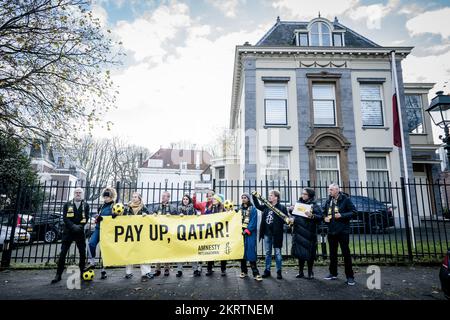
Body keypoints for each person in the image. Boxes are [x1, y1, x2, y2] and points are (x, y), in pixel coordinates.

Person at [51, 188, 89, 284]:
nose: (78, 194)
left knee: (82, 253)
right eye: (76, 192)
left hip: (80, 232)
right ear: (73, 193)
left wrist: (80, 226)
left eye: (80, 193)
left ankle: (81, 273)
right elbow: (65, 218)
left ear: (82, 194)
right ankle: (58, 275)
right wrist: (73, 226)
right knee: (63, 253)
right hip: (68, 232)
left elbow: (87, 217)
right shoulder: (67, 204)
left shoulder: (86, 205)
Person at [322, 183, 356, 286]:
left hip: (343, 231)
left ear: (337, 190)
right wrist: (325, 218)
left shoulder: (345, 199)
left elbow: (354, 212)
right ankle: (333, 273)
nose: (329, 191)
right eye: (329, 190)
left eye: (331, 190)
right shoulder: (329, 200)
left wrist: (341, 215)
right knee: (332, 254)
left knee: (346, 254)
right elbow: (324, 213)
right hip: (331, 231)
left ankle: (350, 277)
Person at [252, 190, 288, 280]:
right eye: (269, 195)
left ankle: (279, 271)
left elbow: (286, 220)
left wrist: (289, 220)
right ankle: (267, 271)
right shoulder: (266, 206)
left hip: (277, 234)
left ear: (276, 197)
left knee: (278, 253)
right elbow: (257, 206)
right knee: (268, 253)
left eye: (271, 195)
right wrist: (254, 196)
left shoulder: (282, 207)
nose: (269, 197)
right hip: (267, 234)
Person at [289, 188, 323, 280]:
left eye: (305, 194)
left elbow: (320, 217)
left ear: (310, 196)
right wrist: (290, 210)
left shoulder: (314, 205)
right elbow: (294, 214)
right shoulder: (298, 203)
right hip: (298, 231)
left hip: (309, 232)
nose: (303, 195)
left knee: (310, 253)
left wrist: (312, 215)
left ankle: (310, 272)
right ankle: (300, 272)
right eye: (302, 194)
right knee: (300, 252)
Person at [85, 186, 117, 280]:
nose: (106, 199)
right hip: (98, 228)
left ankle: (103, 270)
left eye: (108, 197)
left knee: (104, 250)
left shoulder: (114, 206)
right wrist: (97, 218)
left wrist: (114, 215)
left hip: (108, 231)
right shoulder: (101, 206)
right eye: (105, 197)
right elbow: (99, 217)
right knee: (91, 243)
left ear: (112, 197)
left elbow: (117, 218)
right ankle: (92, 262)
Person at [124, 192, 153, 282]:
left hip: (141, 234)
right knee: (129, 252)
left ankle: (146, 272)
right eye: (133, 197)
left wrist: (146, 216)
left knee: (143, 252)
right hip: (130, 233)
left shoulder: (144, 208)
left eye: (136, 197)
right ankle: (128, 272)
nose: (134, 198)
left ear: (140, 199)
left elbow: (150, 218)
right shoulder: (127, 208)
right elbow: (122, 218)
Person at [152, 191, 177, 276]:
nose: (162, 198)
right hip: (158, 232)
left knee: (167, 251)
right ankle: (157, 269)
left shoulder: (173, 208)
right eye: (162, 196)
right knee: (157, 250)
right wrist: (154, 215)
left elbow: (177, 220)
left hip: (168, 232)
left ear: (168, 198)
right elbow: (151, 218)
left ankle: (166, 269)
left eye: (164, 196)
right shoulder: (156, 207)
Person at [239, 193, 262, 281]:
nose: (243, 199)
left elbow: (253, 221)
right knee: (242, 253)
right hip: (241, 234)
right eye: (242, 198)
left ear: (248, 199)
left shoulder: (253, 209)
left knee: (251, 252)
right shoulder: (239, 209)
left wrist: (247, 230)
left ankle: (255, 273)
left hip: (249, 234)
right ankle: (243, 271)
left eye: (245, 197)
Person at [176, 194, 201, 277]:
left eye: (187, 199)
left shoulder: (193, 209)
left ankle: (195, 269)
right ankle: (179, 270)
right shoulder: (178, 209)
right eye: (184, 199)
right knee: (180, 252)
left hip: (191, 234)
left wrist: (197, 215)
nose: (185, 200)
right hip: (181, 234)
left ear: (189, 200)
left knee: (192, 251)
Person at [205, 194, 227, 276]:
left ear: (219, 201)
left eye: (215, 199)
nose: (213, 200)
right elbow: (205, 217)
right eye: (213, 199)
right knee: (211, 251)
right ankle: (209, 269)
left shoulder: (223, 209)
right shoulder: (210, 208)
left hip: (221, 234)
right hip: (212, 234)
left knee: (222, 252)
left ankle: (223, 269)